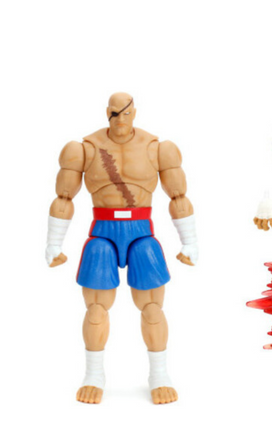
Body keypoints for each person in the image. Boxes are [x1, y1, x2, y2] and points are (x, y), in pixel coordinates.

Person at [46, 92, 198, 405]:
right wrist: (54, 243)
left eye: (126, 113)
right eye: (114, 113)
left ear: (135, 113)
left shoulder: (158, 148)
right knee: (96, 309)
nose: (120, 119)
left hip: (141, 232)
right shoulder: (84, 148)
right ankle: (94, 375)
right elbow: (64, 197)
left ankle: (159, 375)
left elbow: (178, 196)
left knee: (152, 308)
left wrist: (190, 241)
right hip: (103, 232)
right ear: (107, 113)